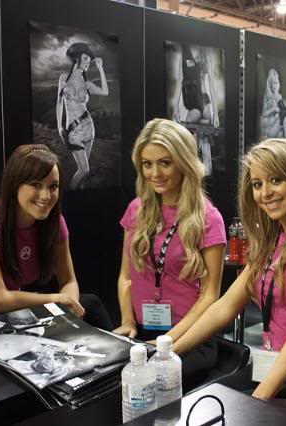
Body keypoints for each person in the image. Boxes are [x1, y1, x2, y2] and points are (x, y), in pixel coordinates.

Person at [173, 138, 286, 404]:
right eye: (257, 184)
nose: (265, 193)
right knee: (200, 402)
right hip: (273, 366)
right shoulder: (272, 238)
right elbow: (225, 307)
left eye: (276, 180)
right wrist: (170, 352)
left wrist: (258, 401)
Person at [113, 118, 226, 391]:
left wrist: (167, 342)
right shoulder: (136, 210)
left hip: (190, 337)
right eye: (147, 164)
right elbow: (126, 277)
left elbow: (210, 296)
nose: (155, 173)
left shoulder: (208, 218)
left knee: (150, 387)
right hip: (141, 333)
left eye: (165, 163)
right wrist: (127, 321)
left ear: (183, 162)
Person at [0, 144, 112, 330]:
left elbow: (68, 281)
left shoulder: (54, 223)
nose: (46, 196)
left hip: (16, 315)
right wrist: (56, 299)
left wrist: (69, 308)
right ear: (15, 185)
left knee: (91, 303)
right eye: (36, 185)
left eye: (53, 186)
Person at [56, 43, 109, 190]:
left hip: (88, 128)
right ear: (77, 58)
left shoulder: (87, 84)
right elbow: (59, 103)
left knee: (83, 173)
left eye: (89, 60)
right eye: (85, 59)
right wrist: (60, 127)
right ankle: (71, 199)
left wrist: (100, 68)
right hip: (73, 132)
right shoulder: (64, 78)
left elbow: (105, 91)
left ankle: (81, 197)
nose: (87, 63)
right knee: (84, 170)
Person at [171, 43, 220, 176]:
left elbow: (212, 87)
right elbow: (180, 81)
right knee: (196, 144)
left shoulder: (204, 54)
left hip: (201, 102)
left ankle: (203, 180)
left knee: (201, 146)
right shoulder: (188, 52)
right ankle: (200, 177)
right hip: (200, 103)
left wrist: (216, 114)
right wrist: (175, 109)